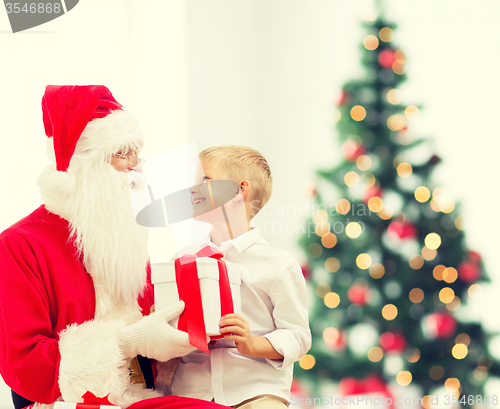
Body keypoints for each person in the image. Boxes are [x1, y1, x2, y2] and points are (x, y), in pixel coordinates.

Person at [0, 85, 229, 409]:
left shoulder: (123, 236)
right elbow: (25, 368)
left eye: (138, 153)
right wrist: (127, 342)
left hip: (143, 396)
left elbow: (153, 327)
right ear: (85, 164)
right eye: (123, 153)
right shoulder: (18, 245)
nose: (136, 165)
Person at [166, 145, 311, 408]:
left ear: (238, 191)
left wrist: (253, 344)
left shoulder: (277, 265)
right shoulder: (183, 259)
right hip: (192, 391)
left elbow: (298, 335)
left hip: (255, 391)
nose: (192, 189)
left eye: (205, 180)